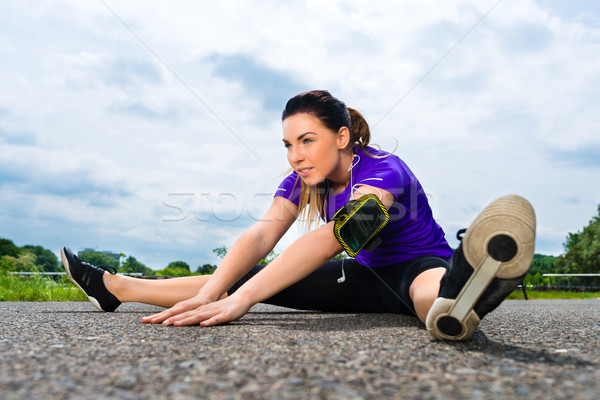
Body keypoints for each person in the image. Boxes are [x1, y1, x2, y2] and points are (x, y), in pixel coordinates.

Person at [61, 90, 536, 341]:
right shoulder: (301, 181)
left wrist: (240, 300)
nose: (295, 155)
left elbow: (339, 235)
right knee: (246, 276)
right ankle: (115, 288)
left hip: (417, 267)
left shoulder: (384, 171)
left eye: (307, 140)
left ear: (343, 137)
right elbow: (261, 237)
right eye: (288, 144)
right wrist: (214, 292)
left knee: (425, 294)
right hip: (362, 276)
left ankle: (460, 298)